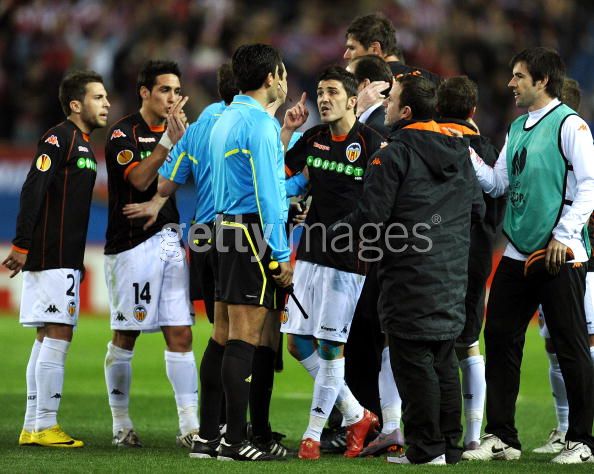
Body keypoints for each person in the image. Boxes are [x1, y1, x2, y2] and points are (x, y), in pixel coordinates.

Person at [331, 74, 484, 465]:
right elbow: (476, 211)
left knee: (414, 364)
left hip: (408, 277)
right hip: (451, 275)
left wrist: (332, 232)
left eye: (392, 98)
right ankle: (449, 447)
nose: (386, 104)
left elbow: (370, 219)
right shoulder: (461, 151)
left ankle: (426, 449)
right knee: (443, 361)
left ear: (406, 111)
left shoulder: (392, 154)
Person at [462, 47, 594, 464]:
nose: (511, 84)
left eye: (519, 76)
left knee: (570, 346)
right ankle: (502, 437)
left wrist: (564, 236)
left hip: (559, 253)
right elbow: (497, 183)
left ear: (543, 81)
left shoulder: (571, 125)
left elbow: (590, 185)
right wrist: (465, 150)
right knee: (500, 338)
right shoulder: (517, 126)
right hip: (518, 251)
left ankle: (583, 441)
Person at [196, 43, 304, 462]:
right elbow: (267, 195)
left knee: (222, 334)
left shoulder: (224, 117)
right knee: (246, 335)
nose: (285, 80)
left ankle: (209, 436)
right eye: (283, 73)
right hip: (250, 232)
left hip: (222, 229)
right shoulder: (259, 125)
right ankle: (234, 442)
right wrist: (280, 254)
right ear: (271, 77)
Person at [281, 66, 385, 460]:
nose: (323, 99)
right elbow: (278, 175)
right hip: (310, 252)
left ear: (352, 100)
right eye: (320, 92)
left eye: (332, 92)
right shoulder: (313, 138)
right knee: (297, 342)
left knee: (329, 345)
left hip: (349, 257)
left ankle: (311, 436)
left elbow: (381, 199)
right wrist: (287, 131)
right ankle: (357, 414)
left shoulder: (372, 143)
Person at [2, 70, 110, 448]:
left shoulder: (83, 144)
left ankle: (33, 425)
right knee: (59, 332)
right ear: (76, 105)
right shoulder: (59, 137)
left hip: (63, 255)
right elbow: (34, 187)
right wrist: (21, 243)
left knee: (47, 334)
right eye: (98, 97)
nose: (107, 103)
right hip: (52, 252)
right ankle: (45, 424)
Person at [103, 60, 197, 449]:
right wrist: (167, 143)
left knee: (181, 332)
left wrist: (182, 141)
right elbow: (141, 180)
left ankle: (190, 426)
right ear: (145, 92)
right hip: (130, 245)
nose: (172, 98)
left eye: (177, 91)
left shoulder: (184, 132)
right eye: (164, 90)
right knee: (127, 334)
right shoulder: (122, 133)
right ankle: (121, 423)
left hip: (170, 240)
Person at [435, 76, 505, 453]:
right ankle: (474, 435)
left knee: (430, 342)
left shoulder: (430, 142)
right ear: (473, 110)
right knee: (468, 342)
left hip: (436, 253)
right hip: (476, 254)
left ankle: (418, 432)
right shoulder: (487, 149)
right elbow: (497, 198)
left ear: (437, 108)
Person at [345, 53, 405, 456]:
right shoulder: (372, 123)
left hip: (377, 247)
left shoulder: (379, 126)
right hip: (372, 245)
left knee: (374, 336)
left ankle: (379, 423)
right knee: (366, 337)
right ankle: (373, 423)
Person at [532, 77, 594, 455]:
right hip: (547, 254)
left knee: (583, 342)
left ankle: (583, 434)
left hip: (584, 258)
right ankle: (564, 427)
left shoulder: (582, 145)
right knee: (554, 343)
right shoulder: (546, 150)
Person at [344, 13, 441, 116]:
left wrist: (358, 110)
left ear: (375, 49)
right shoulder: (434, 80)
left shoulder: (366, 86)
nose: (346, 55)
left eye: (352, 48)